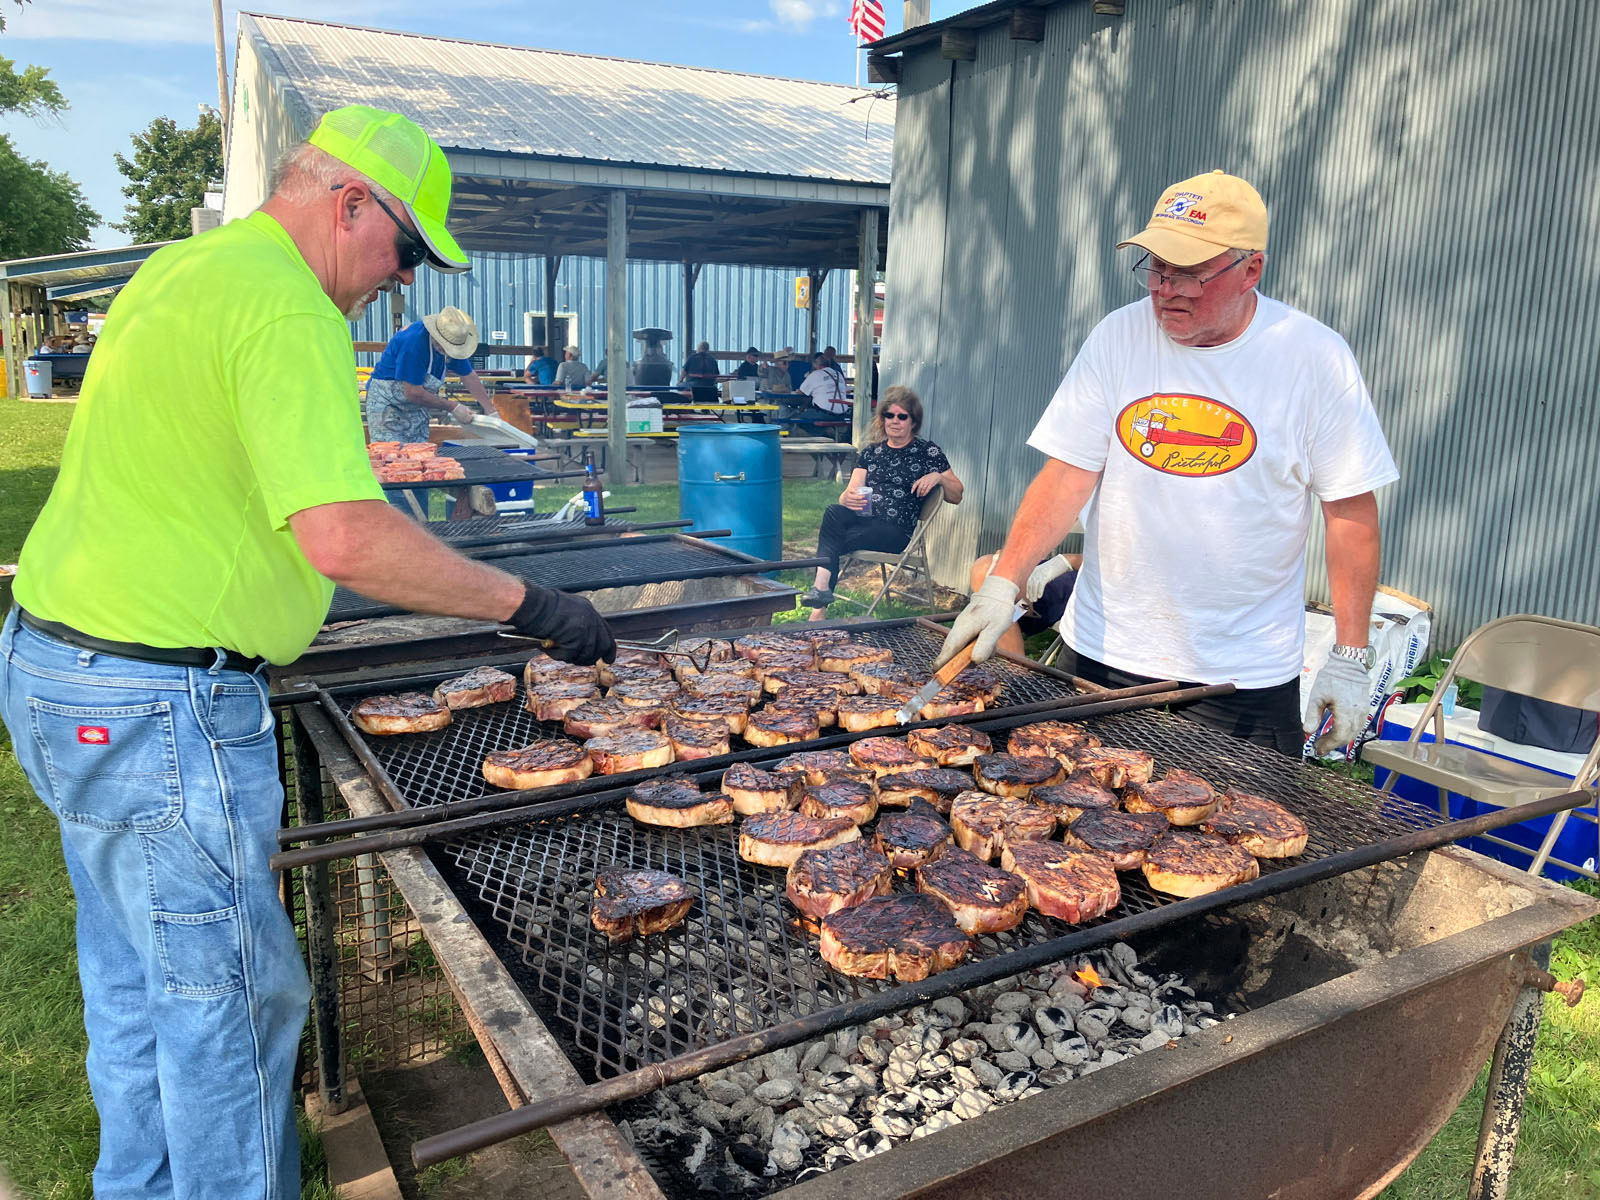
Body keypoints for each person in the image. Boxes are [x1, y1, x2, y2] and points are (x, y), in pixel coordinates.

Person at [0, 104, 615, 1200]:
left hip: (60, 668)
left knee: (142, 984)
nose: (407, 277)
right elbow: (343, 534)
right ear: (348, 204)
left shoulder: (185, 271)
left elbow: (204, 473)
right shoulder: (288, 310)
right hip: (157, 702)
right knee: (228, 1005)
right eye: (406, 247)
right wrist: (530, 603)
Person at [935, 169, 1397, 755]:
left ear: (1251, 268)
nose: (1165, 289)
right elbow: (1066, 477)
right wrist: (1002, 584)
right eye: (1155, 268)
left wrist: (1350, 657)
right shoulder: (1117, 338)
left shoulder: (1313, 358)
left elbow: (1350, 510)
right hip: (1100, 656)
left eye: (1189, 273)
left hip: (1240, 678)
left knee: (1233, 842)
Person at [801, 385, 961, 614]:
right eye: (889, 415)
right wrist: (848, 498)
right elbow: (849, 492)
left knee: (832, 543)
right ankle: (821, 591)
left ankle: (818, 607)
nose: (895, 421)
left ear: (913, 422)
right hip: (865, 520)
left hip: (894, 531)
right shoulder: (871, 453)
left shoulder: (928, 452)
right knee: (833, 511)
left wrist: (939, 478)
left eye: (902, 416)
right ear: (882, 418)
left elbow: (957, 495)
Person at [364, 306, 488, 442]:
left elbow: (469, 376)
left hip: (416, 407)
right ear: (436, 336)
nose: (447, 351)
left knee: (421, 453)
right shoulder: (413, 341)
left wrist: (491, 411)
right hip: (388, 404)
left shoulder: (454, 338)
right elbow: (412, 392)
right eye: (445, 346)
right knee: (391, 456)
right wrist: (453, 407)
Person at [681, 340, 722, 404]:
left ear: (699, 348)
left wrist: (680, 381)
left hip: (694, 385)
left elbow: (684, 371)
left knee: (681, 386)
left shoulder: (692, 357)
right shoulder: (712, 359)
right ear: (707, 349)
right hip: (709, 385)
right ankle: (705, 408)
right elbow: (716, 374)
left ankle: (687, 406)